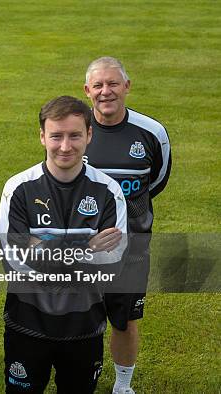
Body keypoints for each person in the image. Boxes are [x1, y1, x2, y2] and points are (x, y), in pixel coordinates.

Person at [0, 96, 128, 393]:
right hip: (27, 323)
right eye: (56, 136)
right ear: (42, 136)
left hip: (84, 326)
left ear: (89, 135)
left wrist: (41, 246)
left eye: (75, 135)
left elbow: (113, 262)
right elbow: (15, 259)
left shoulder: (108, 190)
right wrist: (87, 247)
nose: (65, 146)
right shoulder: (17, 188)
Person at [83, 57, 172, 394]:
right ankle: (82, 377)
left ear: (127, 86)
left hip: (132, 249)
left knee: (125, 320)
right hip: (82, 247)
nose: (106, 92)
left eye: (113, 84)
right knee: (81, 317)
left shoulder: (152, 133)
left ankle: (122, 385)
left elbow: (156, 181)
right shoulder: (77, 129)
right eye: (98, 85)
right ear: (87, 90)